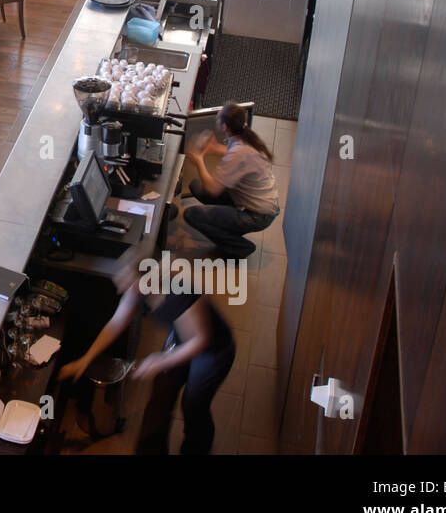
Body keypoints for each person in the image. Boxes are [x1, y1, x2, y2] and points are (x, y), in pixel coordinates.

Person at [57, 255, 235, 455]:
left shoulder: (179, 294)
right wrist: (85, 360)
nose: (121, 289)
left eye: (127, 282)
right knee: (161, 395)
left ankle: (197, 449)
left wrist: (161, 361)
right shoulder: (137, 291)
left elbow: (201, 340)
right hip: (181, 338)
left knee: (193, 404)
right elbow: (115, 324)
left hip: (214, 349)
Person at [180, 101, 282, 258]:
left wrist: (199, 161)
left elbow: (213, 189)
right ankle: (228, 224)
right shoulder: (247, 138)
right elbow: (237, 154)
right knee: (196, 186)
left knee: (192, 214)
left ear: (225, 127)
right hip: (258, 203)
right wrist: (214, 148)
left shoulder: (238, 153)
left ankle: (239, 247)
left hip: (257, 215)